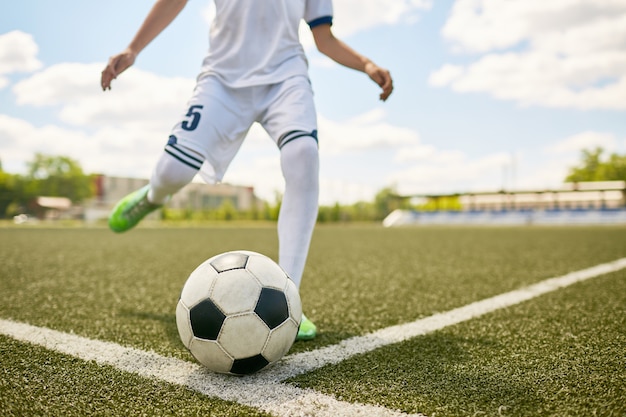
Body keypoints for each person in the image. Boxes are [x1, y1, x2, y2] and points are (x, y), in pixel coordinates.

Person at [101, 0, 393, 341]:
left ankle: (288, 297)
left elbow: (324, 38)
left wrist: (367, 64)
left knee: (303, 156)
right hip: (222, 80)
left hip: (286, 79)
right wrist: (133, 48)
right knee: (173, 172)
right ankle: (153, 196)